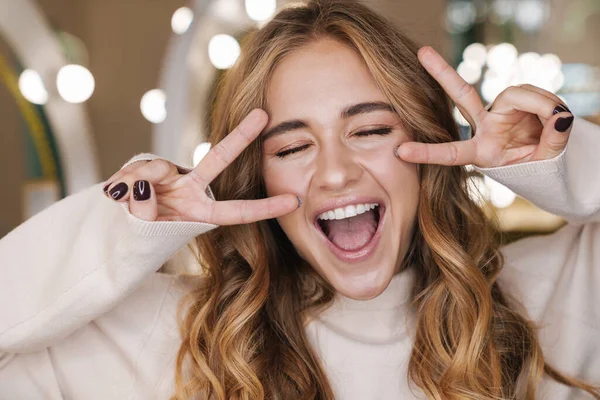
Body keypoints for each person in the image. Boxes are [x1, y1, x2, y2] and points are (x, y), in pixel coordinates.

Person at [1, 1, 599, 399]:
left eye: (369, 131)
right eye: (291, 148)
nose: (334, 174)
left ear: (426, 143)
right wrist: (119, 234)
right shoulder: (178, 337)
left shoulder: (543, 302)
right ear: (257, 180)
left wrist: (556, 165)